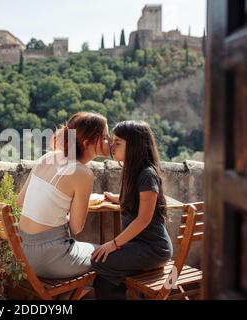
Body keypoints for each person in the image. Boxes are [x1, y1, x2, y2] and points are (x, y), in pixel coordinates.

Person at [16, 111, 111, 279]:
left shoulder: (48, 158)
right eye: (104, 137)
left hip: (24, 255)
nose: (109, 141)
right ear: (87, 143)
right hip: (51, 257)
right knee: (108, 254)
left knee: (99, 250)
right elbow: (76, 228)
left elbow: (20, 201)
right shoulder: (83, 173)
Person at [91, 120, 173, 299]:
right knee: (105, 278)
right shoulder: (132, 172)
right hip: (137, 246)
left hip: (153, 249)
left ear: (134, 146)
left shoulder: (147, 175)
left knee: (97, 260)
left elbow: (143, 218)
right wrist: (119, 199)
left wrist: (113, 244)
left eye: (118, 142)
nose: (112, 146)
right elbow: (137, 203)